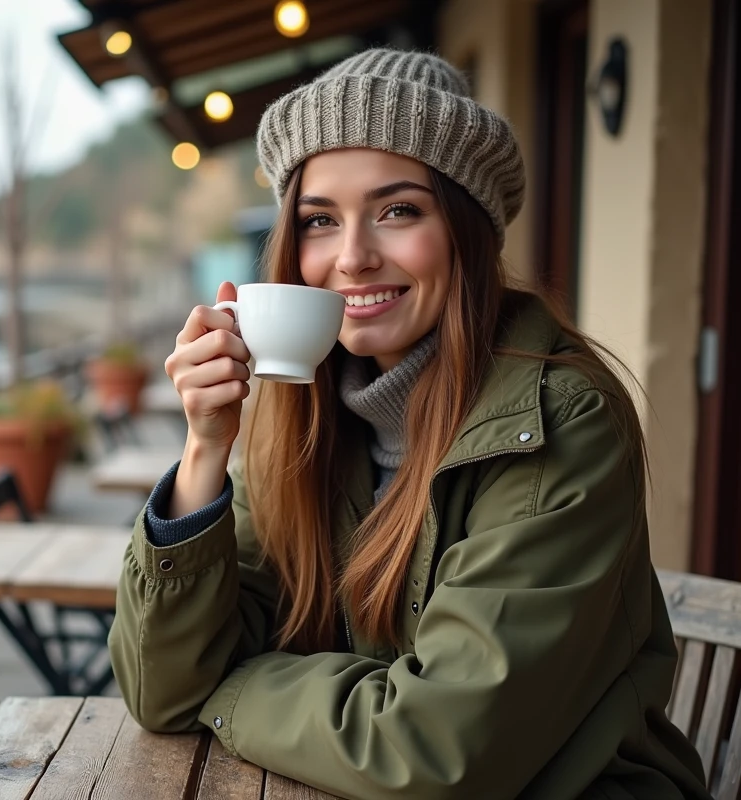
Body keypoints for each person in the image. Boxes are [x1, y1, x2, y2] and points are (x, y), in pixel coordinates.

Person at [108, 49, 710, 799]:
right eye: (319, 221)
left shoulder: (560, 422)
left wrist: (227, 690)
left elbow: (430, 753)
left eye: (398, 211)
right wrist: (205, 450)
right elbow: (161, 689)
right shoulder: (306, 417)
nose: (353, 257)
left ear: (467, 231)